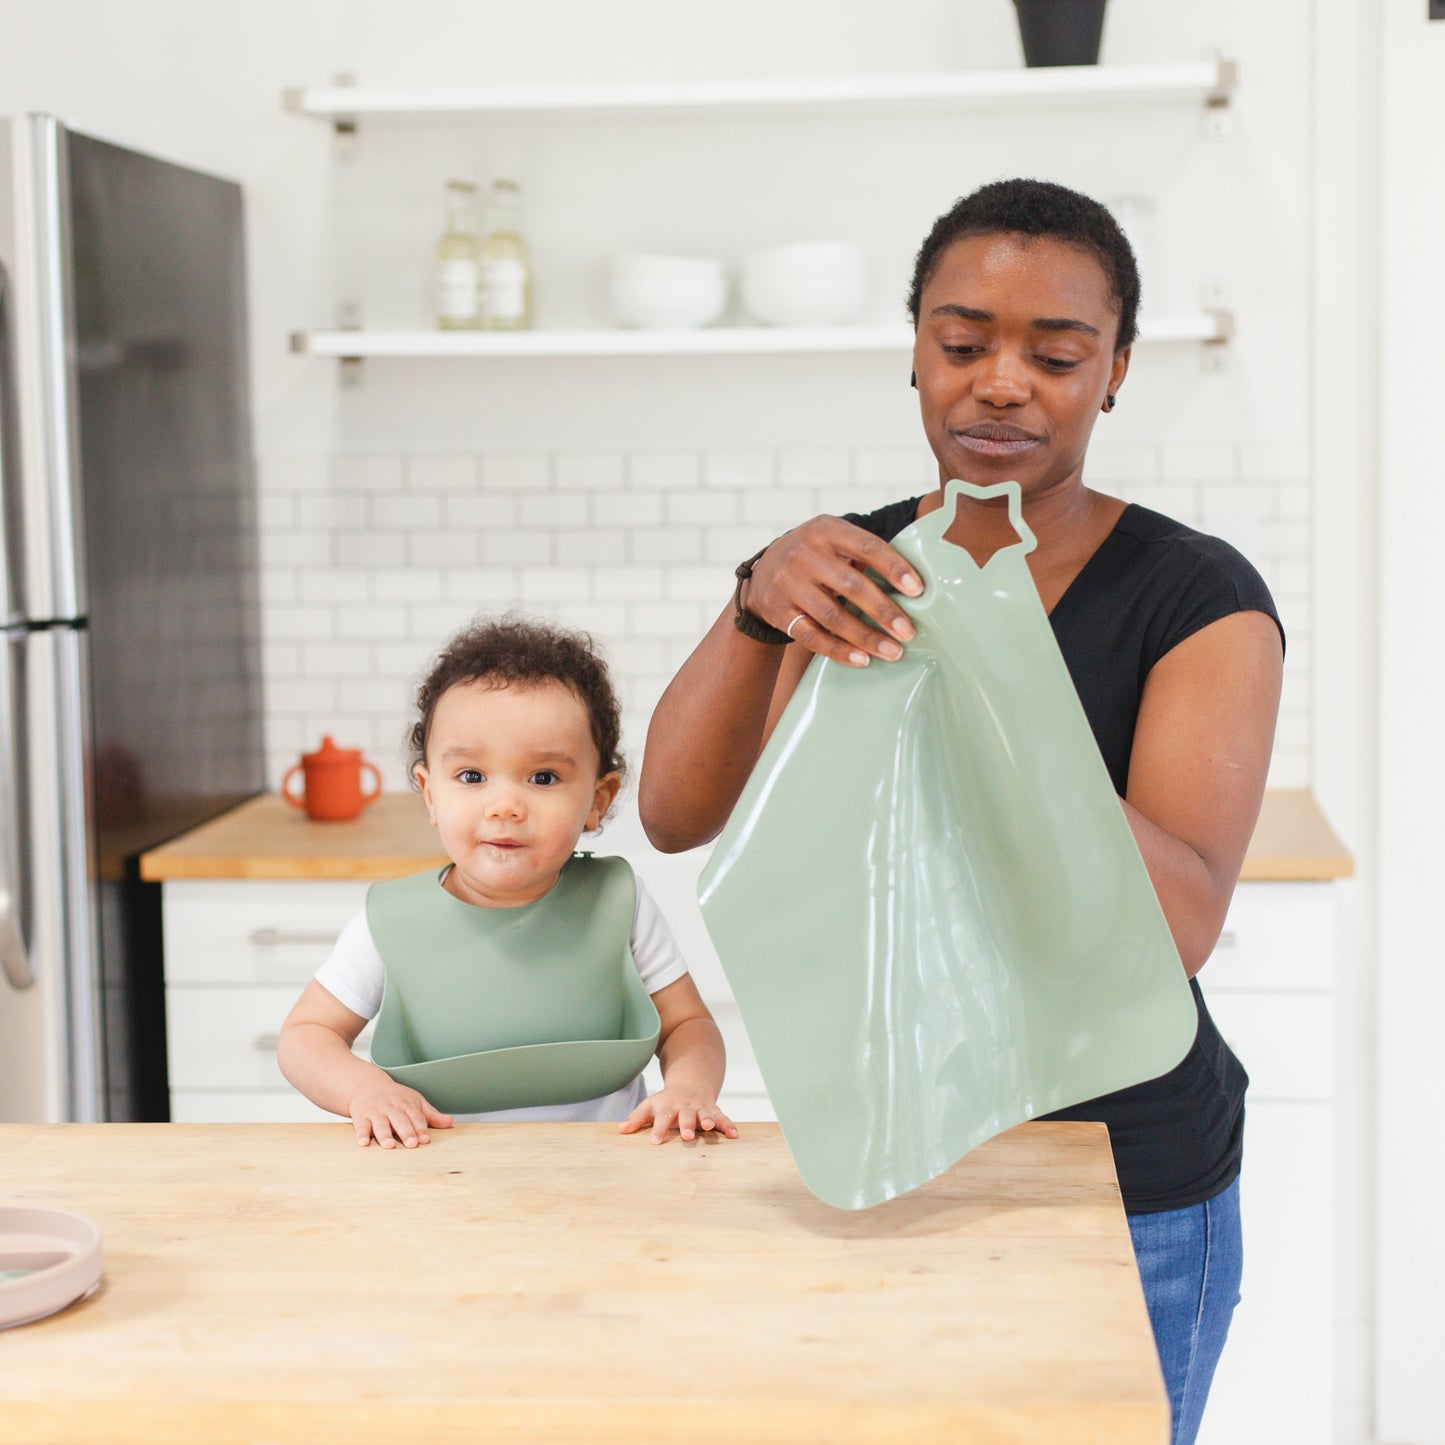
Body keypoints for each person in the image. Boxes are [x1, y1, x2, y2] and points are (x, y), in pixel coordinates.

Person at [638, 178, 1283, 1445]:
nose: (1000, 383)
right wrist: (758, 598)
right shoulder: (837, 569)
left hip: (1121, 1175)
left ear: (1113, 373)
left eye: (1053, 354)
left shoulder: (1196, 597)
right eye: (960, 343)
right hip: (887, 1140)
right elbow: (670, 809)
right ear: (915, 353)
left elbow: (1177, 924)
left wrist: (992, 668)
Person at [278, 615, 738, 1150]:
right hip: (443, 1176)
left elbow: (688, 1025)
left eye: (543, 778)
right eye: (471, 777)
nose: (505, 807)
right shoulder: (391, 923)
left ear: (598, 799)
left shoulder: (619, 902)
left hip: (607, 1176)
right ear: (430, 794)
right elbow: (305, 1037)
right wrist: (365, 1090)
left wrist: (687, 1087)